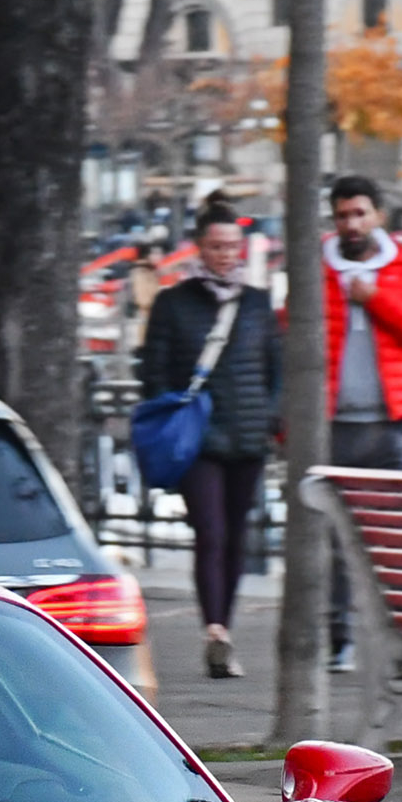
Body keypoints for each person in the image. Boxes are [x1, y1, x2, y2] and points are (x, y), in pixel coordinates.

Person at [138, 205, 281, 679]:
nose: (224, 255)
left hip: (247, 435)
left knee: (237, 535)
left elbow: (274, 368)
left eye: (231, 247)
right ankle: (215, 630)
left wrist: (269, 418)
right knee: (211, 533)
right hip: (196, 438)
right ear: (199, 247)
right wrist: (174, 405)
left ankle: (226, 626)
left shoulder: (257, 303)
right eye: (216, 246)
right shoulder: (174, 303)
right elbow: (153, 370)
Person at [318, 173, 402, 670]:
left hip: (393, 421)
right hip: (333, 424)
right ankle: (341, 640)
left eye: (359, 213)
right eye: (342, 215)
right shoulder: (319, 269)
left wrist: (375, 298)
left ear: (378, 216)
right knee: (337, 541)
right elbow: (290, 332)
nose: (351, 224)